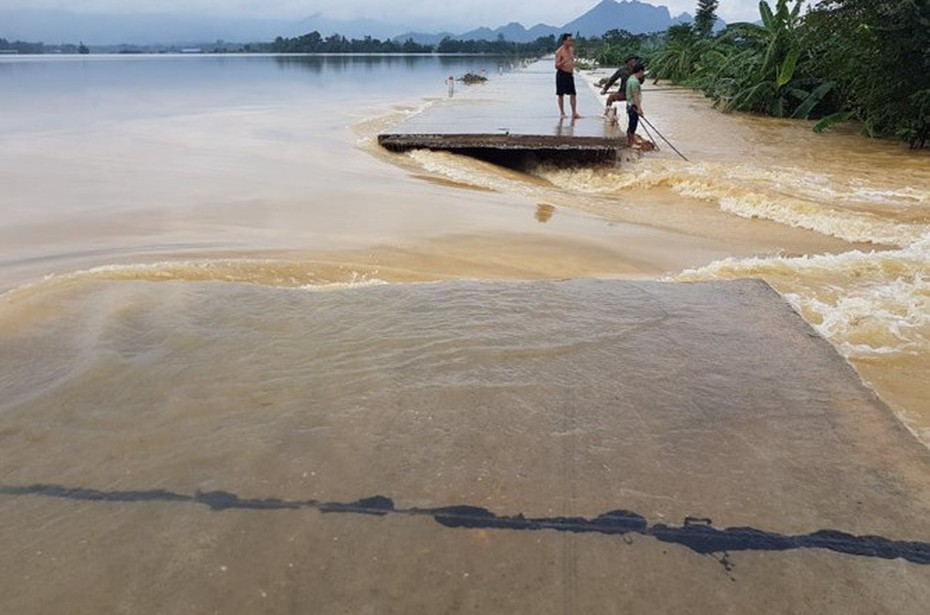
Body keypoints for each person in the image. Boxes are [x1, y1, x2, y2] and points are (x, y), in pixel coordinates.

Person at [554, 33, 581, 119]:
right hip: (561, 74)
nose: (570, 42)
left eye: (571, 40)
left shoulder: (571, 50)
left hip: (569, 74)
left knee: (573, 94)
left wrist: (573, 69)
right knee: (560, 94)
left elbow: (572, 61)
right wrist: (564, 61)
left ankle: (574, 112)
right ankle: (562, 113)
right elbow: (556, 66)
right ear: (564, 41)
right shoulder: (559, 51)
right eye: (569, 40)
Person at [625, 62, 646, 148]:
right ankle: (630, 143)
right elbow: (635, 96)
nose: (643, 74)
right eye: (643, 72)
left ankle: (630, 141)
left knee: (631, 124)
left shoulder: (630, 79)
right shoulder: (635, 82)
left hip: (629, 105)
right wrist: (639, 109)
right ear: (640, 71)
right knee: (633, 125)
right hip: (633, 106)